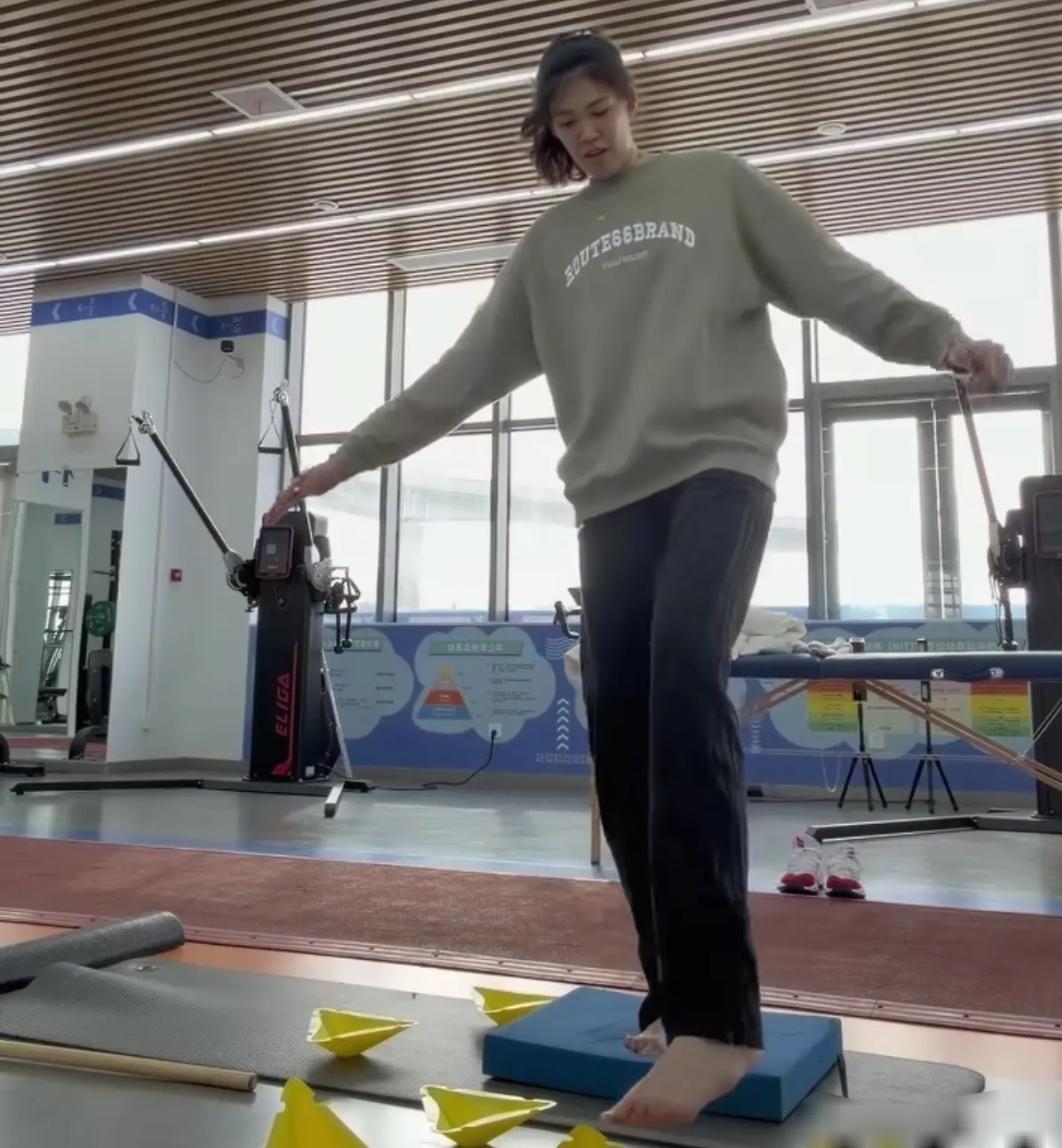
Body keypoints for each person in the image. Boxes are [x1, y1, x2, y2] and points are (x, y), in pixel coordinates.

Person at [265, 29, 1012, 1129]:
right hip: (609, 503)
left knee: (676, 678)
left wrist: (942, 338)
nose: (586, 133)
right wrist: (341, 461)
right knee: (618, 731)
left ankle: (719, 1023)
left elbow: (833, 280)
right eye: (564, 123)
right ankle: (672, 993)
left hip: (719, 470)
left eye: (597, 110)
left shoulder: (713, 186)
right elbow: (455, 378)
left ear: (628, 101)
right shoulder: (548, 248)